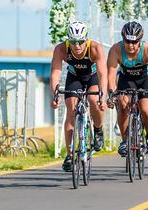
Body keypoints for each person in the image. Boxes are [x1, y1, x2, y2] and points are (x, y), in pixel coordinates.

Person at [50, 21, 108, 172]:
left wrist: (103, 96)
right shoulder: (61, 49)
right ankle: (69, 154)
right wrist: (55, 95)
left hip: (92, 76)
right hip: (74, 77)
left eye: (80, 41)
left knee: (93, 99)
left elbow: (103, 74)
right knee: (71, 109)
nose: (77, 45)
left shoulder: (95, 48)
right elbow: (55, 72)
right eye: (73, 42)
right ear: (68, 40)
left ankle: (98, 129)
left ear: (86, 39)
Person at [107, 21, 148, 157]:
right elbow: (111, 76)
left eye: (134, 42)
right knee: (123, 104)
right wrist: (111, 95)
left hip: (145, 79)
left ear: (140, 40)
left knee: (146, 109)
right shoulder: (116, 49)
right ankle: (125, 140)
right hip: (127, 79)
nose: (131, 45)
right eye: (127, 41)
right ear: (123, 39)